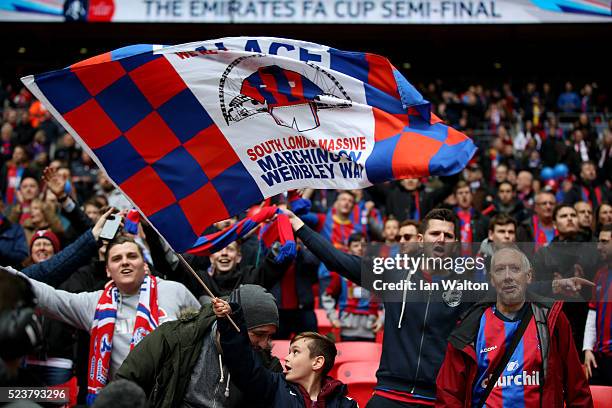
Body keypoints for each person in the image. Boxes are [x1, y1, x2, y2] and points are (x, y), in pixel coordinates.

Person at [10, 235, 200, 403]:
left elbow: (203, 334)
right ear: (108, 270)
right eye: (117, 259)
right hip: (123, 401)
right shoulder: (95, 303)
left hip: (175, 397)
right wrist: (5, 274)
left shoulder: (175, 291)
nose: (125, 262)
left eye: (132, 256)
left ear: (145, 265)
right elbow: (49, 297)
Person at [436, 247, 593, 407]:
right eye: (499, 270)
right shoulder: (471, 326)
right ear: (491, 279)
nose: (507, 277)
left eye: (515, 269)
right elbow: (449, 393)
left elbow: (577, 388)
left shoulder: (552, 319)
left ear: (529, 276)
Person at [117, 284, 284, 408]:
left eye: (269, 336)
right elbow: (124, 385)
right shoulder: (174, 338)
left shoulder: (265, 365)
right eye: (259, 334)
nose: (264, 344)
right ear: (234, 324)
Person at [212, 297, 358, 408]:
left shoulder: (344, 404)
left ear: (317, 362)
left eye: (295, 352)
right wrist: (229, 322)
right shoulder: (273, 386)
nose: (286, 357)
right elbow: (243, 362)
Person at [322, 232, 383, 342]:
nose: (360, 248)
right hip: (347, 327)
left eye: (363, 245)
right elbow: (327, 296)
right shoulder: (340, 272)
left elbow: (388, 299)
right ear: (348, 248)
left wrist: (382, 320)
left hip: (370, 328)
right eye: (355, 245)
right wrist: (333, 317)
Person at [583, 225, 612, 385]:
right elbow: (592, 314)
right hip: (598, 357)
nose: (599, 246)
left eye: (604, 242)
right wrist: (587, 348)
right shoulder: (600, 274)